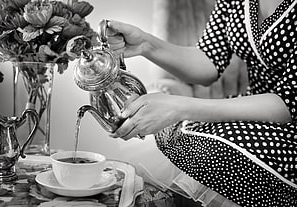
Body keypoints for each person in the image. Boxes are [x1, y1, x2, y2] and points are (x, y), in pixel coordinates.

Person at [106, 0, 297, 206]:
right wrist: (145, 44)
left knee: (213, 150)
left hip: (287, 126)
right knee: (170, 131)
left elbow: (287, 103)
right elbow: (208, 60)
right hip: (252, 112)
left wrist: (179, 108)